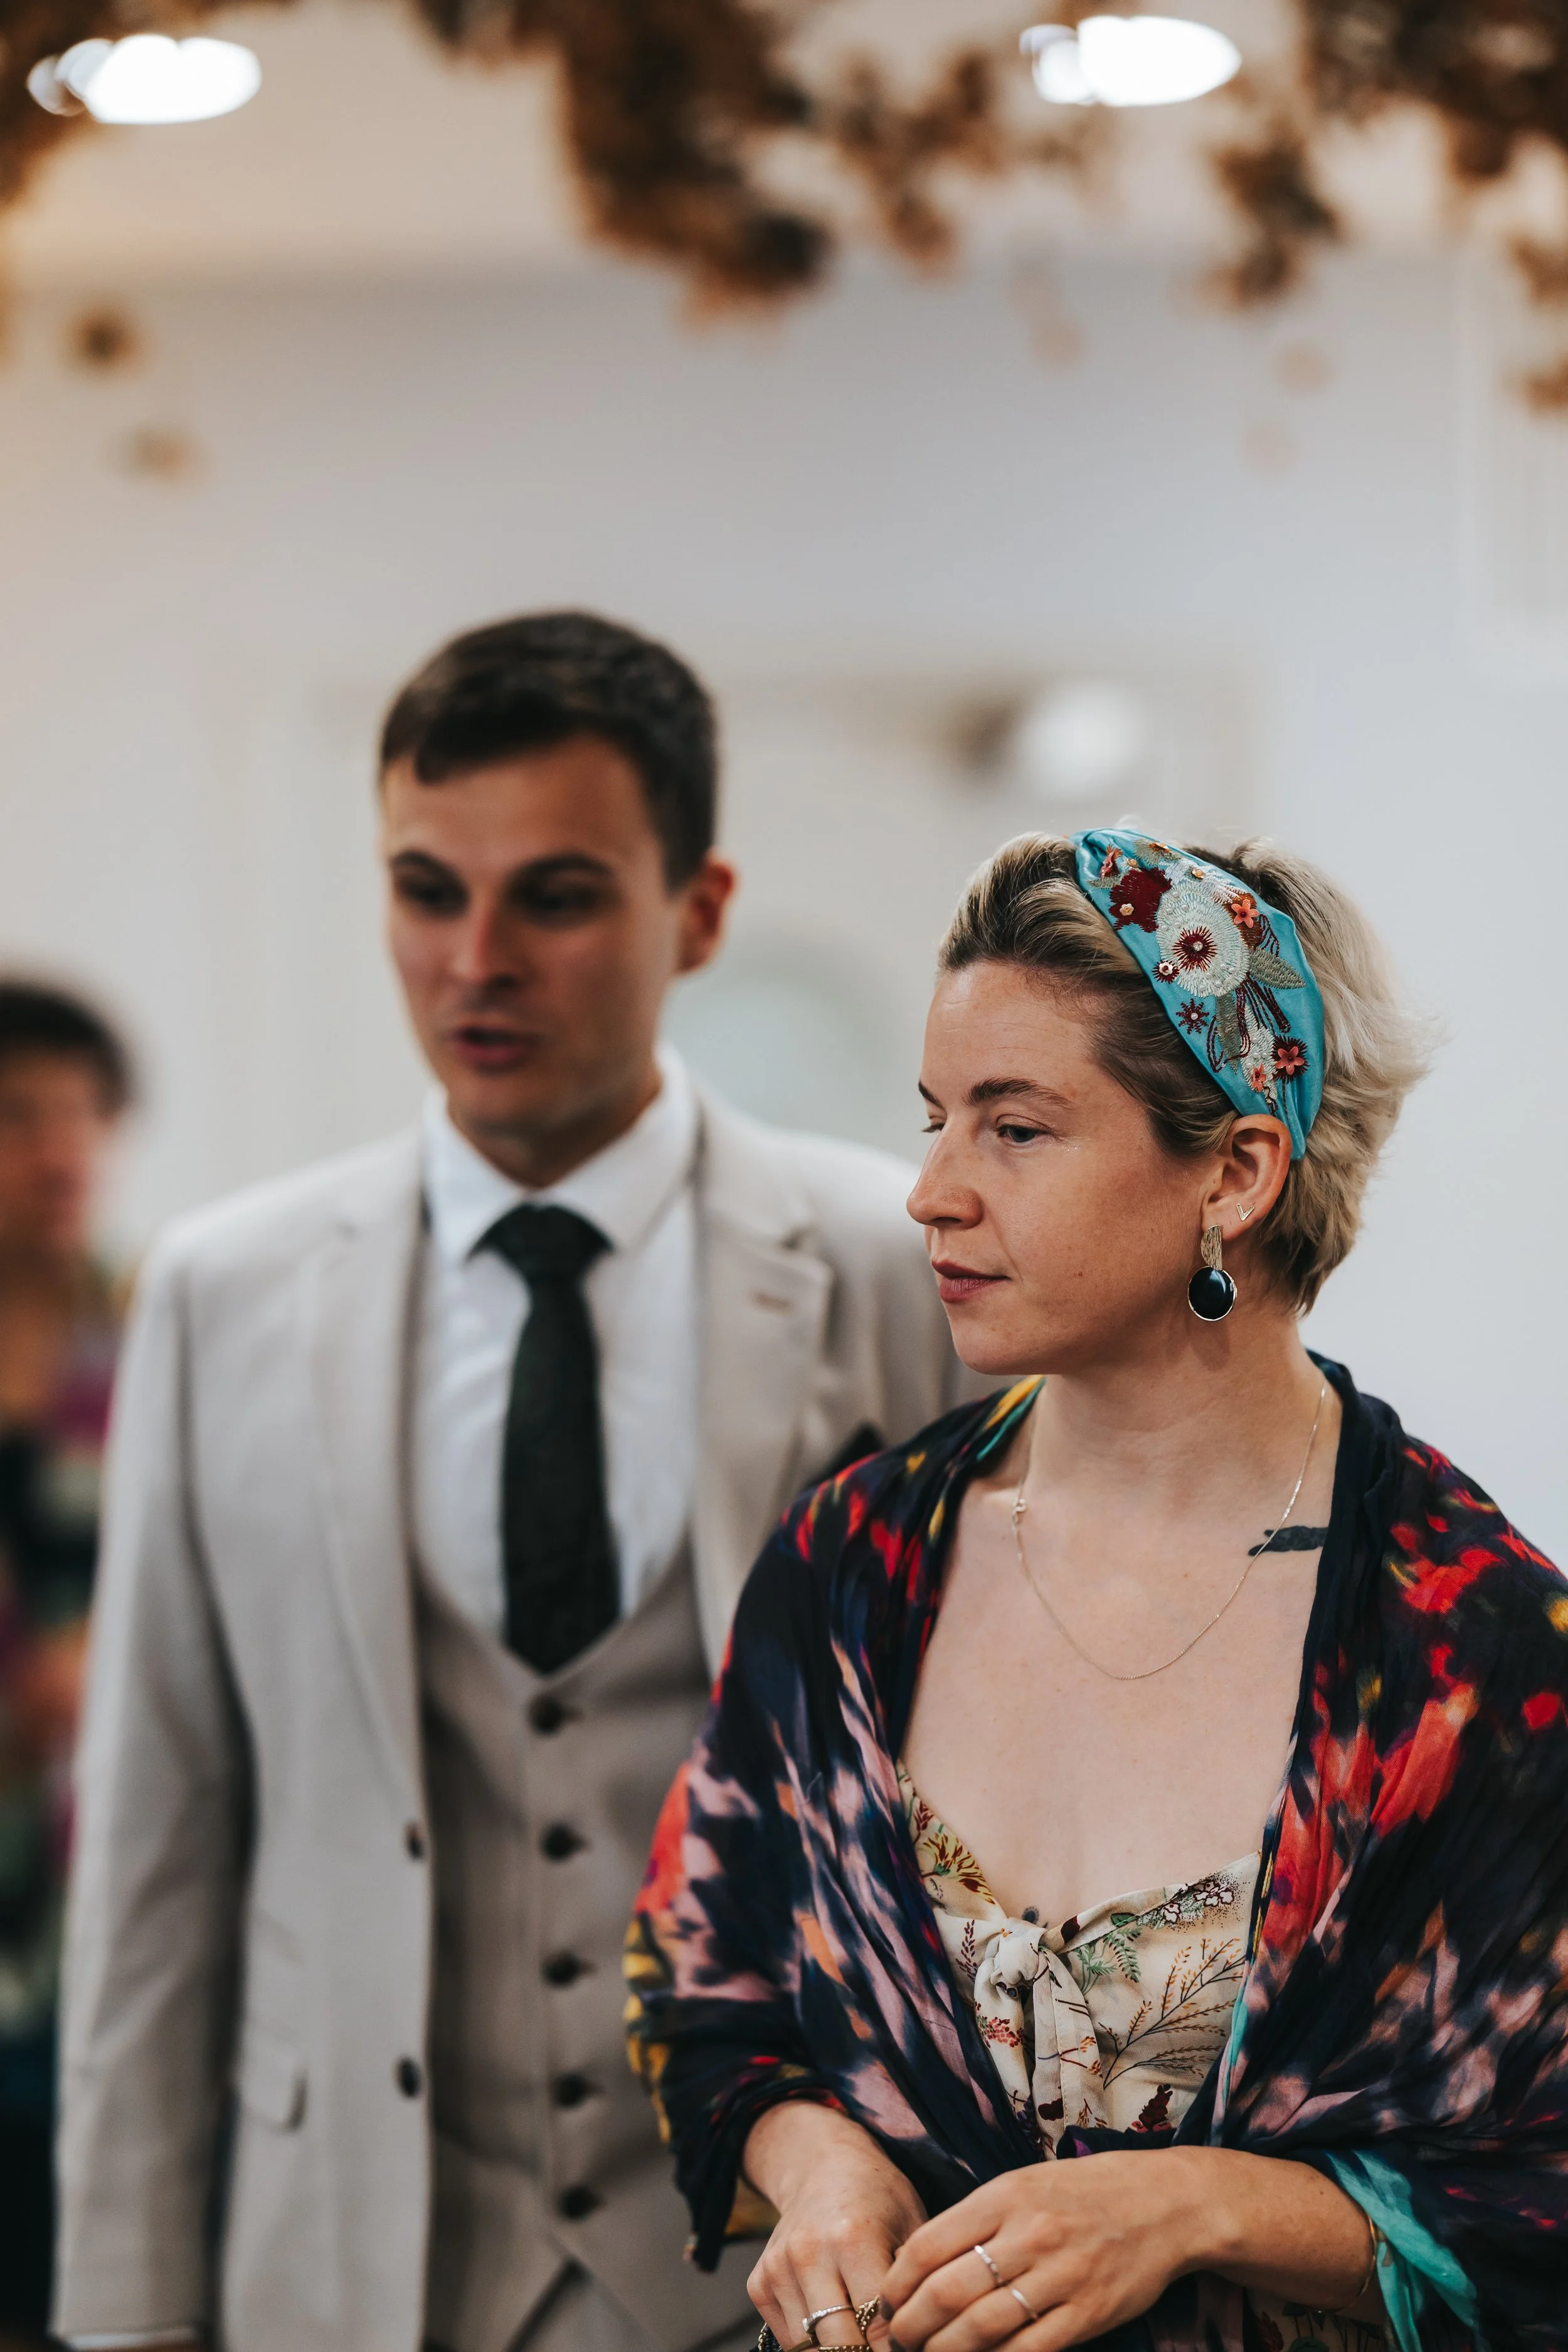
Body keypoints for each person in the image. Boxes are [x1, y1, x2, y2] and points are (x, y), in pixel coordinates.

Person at [54, 612, 970, 2352]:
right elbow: (160, 1835)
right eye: (423, 887)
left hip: (782, 2262)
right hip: (338, 2263)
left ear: (698, 909)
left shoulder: (891, 1262)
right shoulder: (220, 1288)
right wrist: (125, 2306)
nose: (474, 957)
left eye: (552, 894)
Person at [628, 828, 1568, 2352]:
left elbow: (1540, 2194)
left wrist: (1198, 2206)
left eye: (1015, 1130)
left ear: (1234, 1170)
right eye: (933, 1120)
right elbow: (699, 1978)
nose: (928, 1192)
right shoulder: (852, 1565)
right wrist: (820, 2175)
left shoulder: (1468, 1648)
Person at [0, 982, 130, 2348]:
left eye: (83, 1114)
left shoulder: (156, 1335)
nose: (58, 1149)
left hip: (100, 1873)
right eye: (18, 1114)